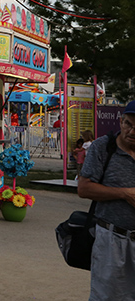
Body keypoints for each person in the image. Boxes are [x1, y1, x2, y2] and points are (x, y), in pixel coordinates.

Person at [77, 101, 135, 300]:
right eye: (128, 124)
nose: (132, 131)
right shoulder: (103, 147)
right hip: (112, 239)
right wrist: (124, 194)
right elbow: (83, 188)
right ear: (120, 122)